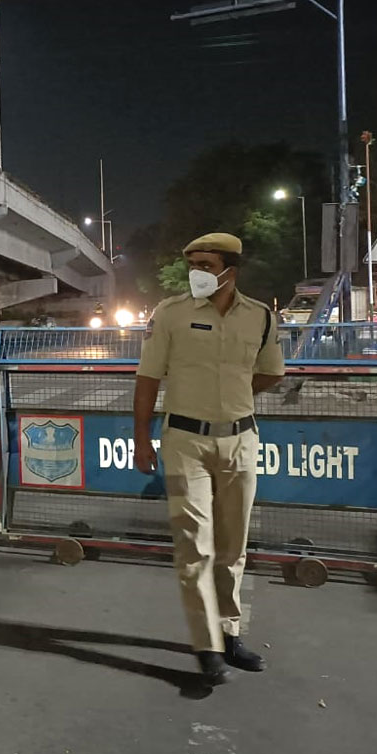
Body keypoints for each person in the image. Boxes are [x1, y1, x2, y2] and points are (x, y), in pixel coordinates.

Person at [134, 232, 285, 685]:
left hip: (240, 441)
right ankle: (206, 646)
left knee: (233, 545)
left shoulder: (260, 316)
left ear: (229, 271)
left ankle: (229, 632)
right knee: (194, 546)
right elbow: (147, 378)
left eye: (205, 263)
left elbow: (272, 372)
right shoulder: (171, 314)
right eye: (192, 263)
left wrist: (236, 400)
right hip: (185, 442)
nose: (195, 271)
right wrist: (142, 438)